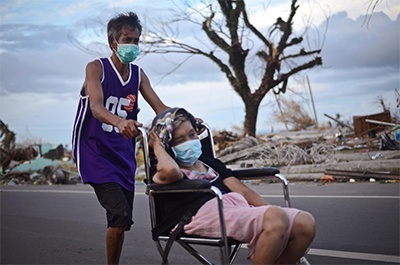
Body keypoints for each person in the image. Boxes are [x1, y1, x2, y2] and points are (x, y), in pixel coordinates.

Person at [148, 107, 316, 265]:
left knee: (305, 223)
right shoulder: (166, 170)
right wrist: (157, 145)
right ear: (167, 146)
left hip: (232, 208)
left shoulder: (209, 163)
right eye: (180, 140)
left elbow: (242, 189)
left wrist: (275, 215)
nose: (190, 142)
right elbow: (170, 171)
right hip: (196, 215)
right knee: (275, 218)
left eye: (192, 135)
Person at [71, 12, 169, 265]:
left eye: (136, 41)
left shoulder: (138, 74)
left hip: (123, 156)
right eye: (127, 39)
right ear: (113, 41)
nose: (132, 46)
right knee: (120, 215)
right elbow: (96, 107)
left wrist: (187, 118)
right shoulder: (96, 68)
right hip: (95, 153)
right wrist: (120, 121)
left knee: (122, 222)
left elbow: (160, 107)